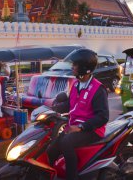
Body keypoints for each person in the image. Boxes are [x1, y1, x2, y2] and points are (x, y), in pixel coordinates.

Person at [47, 49, 109, 180]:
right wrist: (51, 109)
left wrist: (81, 127)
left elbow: (103, 117)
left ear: (84, 68)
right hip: (74, 127)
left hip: (92, 130)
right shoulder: (76, 84)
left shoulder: (98, 89)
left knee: (66, 142)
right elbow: (70, 104)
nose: (72, 67)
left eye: (75, 65)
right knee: (51, 148)